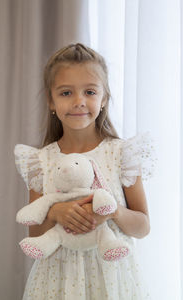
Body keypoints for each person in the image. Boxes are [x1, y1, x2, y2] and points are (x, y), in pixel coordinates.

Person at [14, 43, 155, 300]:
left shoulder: (121, 154)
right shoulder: (41, 160)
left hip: (113, 281)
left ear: (103, 99)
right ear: (51, 101)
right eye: (66, 93)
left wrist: (112, 211)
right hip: (57, 282)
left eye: (89, 91)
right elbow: (34, 233)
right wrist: (55, 211)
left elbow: (143, 226)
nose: (79, 101)